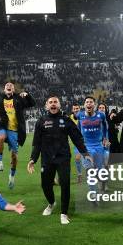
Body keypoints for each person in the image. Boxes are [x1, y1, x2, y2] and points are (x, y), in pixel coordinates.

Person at [28, 95, 92, 225]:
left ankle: (64, 213)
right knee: (45, 185)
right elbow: (37, 143)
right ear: (46, 106)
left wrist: (85, 153)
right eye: (50, 102)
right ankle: (51, 203)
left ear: (59, 105)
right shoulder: (41, 121)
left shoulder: (66, 120)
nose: (53, 104)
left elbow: (77, 138)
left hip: (63, 157)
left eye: (55, 102)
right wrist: (33, 159)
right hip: (47, 159)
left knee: (65, 184)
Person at [0, 82, 35, 189]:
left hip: (15, 130)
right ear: (4, 89)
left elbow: (32, 103)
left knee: (14, 156)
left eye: (11, 86)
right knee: (1, 137)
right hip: (2, 125)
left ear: (13, 89)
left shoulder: (19, 99)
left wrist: (27, 94)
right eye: (7, 86)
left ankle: (12, 176)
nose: (9, 86)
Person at [77, 98, 108, 192]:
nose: (89, 104)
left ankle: (102, 184)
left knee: (99, 171)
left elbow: (105, 126)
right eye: (87, 102)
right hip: (86, 147)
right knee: (89, 170)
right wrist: (79, 140)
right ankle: (93, 193)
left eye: (91, 102)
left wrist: (105, 138)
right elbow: (78, 127)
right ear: (84, 105)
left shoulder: (101, 115)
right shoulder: (80, 115)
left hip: (98, 146)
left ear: (94, 105)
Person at [69, 104, 84, 183]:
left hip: (87, 141)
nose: (76, 110)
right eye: (74, 109)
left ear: (80, 109)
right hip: (77, 141)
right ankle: (79, 174)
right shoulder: (69, 118)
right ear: (72, 110)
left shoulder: (84, 115)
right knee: (78, 158)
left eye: (77, 108)